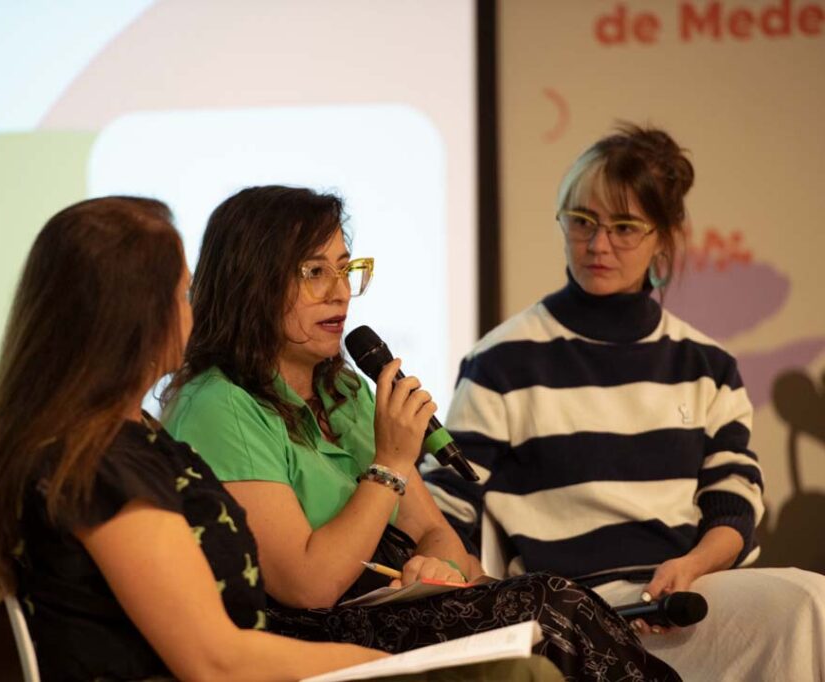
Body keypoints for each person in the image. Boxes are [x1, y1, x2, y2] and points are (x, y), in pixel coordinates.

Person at [162, 185, 680, 681]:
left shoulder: (346, 391)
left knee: (553, 601)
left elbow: (438, 534)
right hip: (311, 637)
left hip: (394, 613)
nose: (340, 292)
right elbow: (308, 585)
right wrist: (389, 464)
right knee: (550, 607)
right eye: (315, 272)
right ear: (252, 281)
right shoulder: (218, 404)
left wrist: (440, 568)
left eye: (345, 270)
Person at [422, 124, 825, 681]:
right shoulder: (503, 360)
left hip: (686, 595)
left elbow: (734, 502)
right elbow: (447, 501)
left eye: (625, 227)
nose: (598, 244)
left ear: (664, 237)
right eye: (582, 221)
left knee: (810, 602)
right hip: (569, 611)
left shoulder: (705, 364)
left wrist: (691, 566)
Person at [0, 197, 397, 681]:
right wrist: (392, 668)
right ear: (134, 316)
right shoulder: (99, 465)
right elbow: (215, 662)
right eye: (183, 294)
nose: (193, 310)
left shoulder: (127, 437)